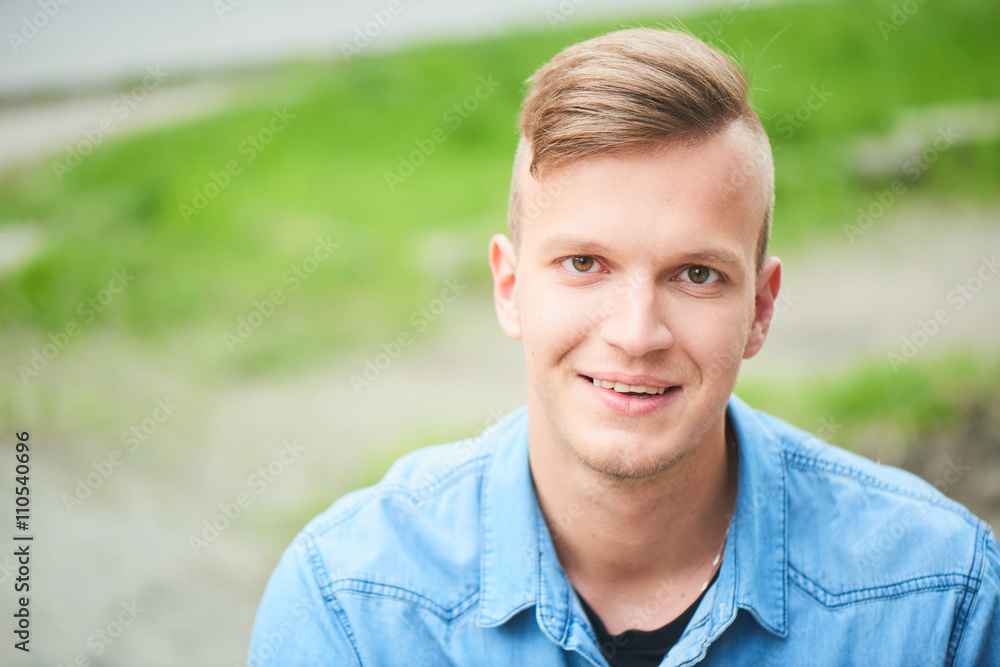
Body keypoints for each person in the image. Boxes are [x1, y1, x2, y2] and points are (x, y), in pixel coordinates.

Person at [249, 27, 999, 666]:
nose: (637, 333)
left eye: (697, 274)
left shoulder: (938, 598)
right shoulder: (352, 606)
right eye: (585, 264)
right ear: (509, 288)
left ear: (761, 309)